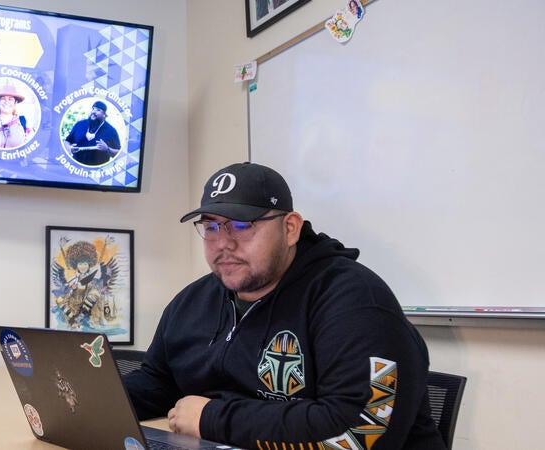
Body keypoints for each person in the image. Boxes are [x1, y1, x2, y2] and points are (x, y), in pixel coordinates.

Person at [122, 162, 446, 449]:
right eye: (210, 227)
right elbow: (158, 384)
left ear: (289, 228)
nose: (223, 243)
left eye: (241, 225)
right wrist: (89, 401)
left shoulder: (355, 302)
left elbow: (360, 431)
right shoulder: (192, 302)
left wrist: (212, 418)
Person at [64, 100, 121, 166]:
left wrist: (107, 149)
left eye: (98, 110)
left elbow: (119, 154)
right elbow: (67, 142)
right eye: (93, 109)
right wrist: (69, 148)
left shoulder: (111, 131)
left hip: (98, 171)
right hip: (76, 169)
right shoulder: (79, 124)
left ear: (104, 115)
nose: (93, 111)